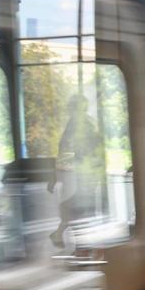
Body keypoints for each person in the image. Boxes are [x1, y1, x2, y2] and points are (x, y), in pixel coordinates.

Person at [47, 93, 103, 248]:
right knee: (76, 209)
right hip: (77, 175)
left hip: (82, 174)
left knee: (77, 209)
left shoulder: (82, 126)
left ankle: (71, 241)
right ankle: (78, 245)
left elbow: (66, 152)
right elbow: (64, 153)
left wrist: (55, 176)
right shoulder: (80, 126)